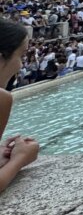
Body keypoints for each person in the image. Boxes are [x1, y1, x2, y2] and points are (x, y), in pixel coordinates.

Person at [0, 19, 40, 195]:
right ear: (1, 59)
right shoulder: (2, 99)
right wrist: (21, 158)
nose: (21, 65)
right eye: (21, 56)